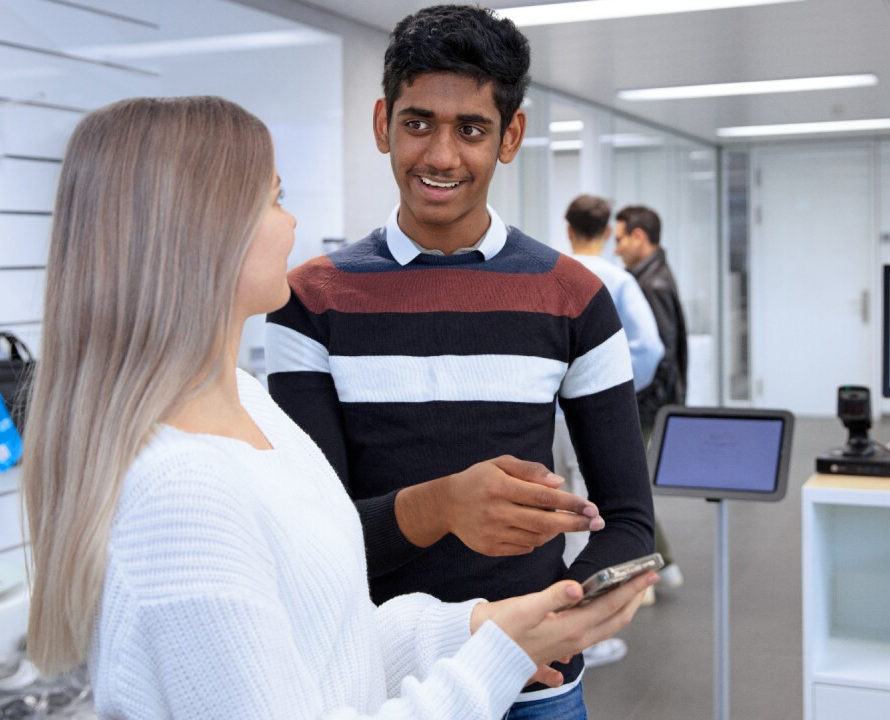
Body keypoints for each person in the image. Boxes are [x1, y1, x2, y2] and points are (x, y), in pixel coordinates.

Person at [20, 96, 657, 719]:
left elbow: (330, 641)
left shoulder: (249, 404)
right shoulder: (182, 490)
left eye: (470, 128)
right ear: (202, 230)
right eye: (274, 199)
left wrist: (477, 625)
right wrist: (496, 653)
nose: (291, 223)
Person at [266, 6, 656, 717]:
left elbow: (629, 519)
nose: (441, 156)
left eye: (470, 129)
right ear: (384, 124)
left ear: (511, 137)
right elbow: (315, 543)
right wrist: (440, 508)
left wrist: (553, 626)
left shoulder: (575, 298)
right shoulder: (308, 301)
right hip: (376, 683)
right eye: (419, 123)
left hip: (534, 688)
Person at [555, 194, 664, 669]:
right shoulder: (617, 279)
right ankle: (581, 632)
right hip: (588, 418)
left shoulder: (549, 272)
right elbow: (651, 348)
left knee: (549, 510)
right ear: (607, 233)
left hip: (546, 419)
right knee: (590, 513)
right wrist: (611, 397)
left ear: (568, 228)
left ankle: (541, 618)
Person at [613, 204, 688, 590]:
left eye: (621, 238)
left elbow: (658, 354)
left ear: (639, 237)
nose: (617, 248)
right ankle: (661, 566)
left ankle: (661, 567)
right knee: (631, 484)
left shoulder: (651, 285)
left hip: (645, 406)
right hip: (651, 404)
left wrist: (636, 403)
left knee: (627, 488)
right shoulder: (650, 277)